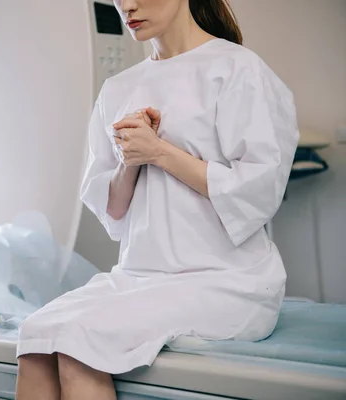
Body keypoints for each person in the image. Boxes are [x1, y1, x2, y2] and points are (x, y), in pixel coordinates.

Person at [15, 0, 300, 398]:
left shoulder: (238, 69)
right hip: (140, 275)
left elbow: (258, 190)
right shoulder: (118, 88)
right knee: (36, 336)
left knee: (79, 343)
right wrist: (130, 161)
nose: (126, 5)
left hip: (224, 279)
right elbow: (113, 209)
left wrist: (159, 152)